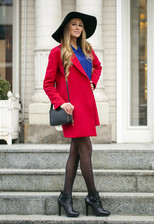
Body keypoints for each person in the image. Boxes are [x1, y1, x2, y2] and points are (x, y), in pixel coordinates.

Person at [43, 11, 110, 218]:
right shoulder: (58, 52)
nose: (78, 27)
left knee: (76, 152)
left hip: (87, 106)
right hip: (72, 109)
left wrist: (93, 81)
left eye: (80, 25)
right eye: (74, 24)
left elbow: (97, 67)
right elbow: (47, 84)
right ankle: (92, 196)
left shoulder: (87, 49)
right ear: (67, 27)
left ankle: (65, 196)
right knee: (86, 149)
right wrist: (62, 103)